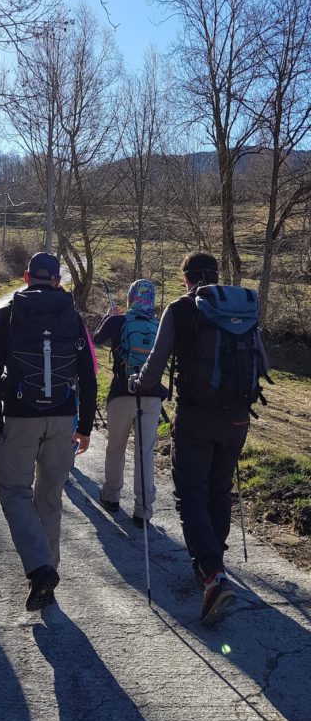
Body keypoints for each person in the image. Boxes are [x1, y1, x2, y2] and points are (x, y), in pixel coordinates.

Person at [128, 251, 268, 626]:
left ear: (186, 278)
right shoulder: (240, 306)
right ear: (216, 275)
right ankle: (213, 561)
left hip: (195, 417)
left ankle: (212, 574)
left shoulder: (180, 309)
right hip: (237, 418)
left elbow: (155, 365)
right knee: (219, 491)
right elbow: (263, 363)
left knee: (190, 494)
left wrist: (138, 384)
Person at [0, 252, 97, 611]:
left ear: (25, 276)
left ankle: (40, 569)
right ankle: (49, 573)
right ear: (57, 280)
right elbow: (88, 375)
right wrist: (85, 427)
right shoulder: (72, 316)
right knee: (49, 495)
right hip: (63, 416)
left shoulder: (9, 314)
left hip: (20, 415)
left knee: (12, 489)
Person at [93, 279, 167, 527]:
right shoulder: (159, 326)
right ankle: (143, 510)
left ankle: (111, 496)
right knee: (144, 453)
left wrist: (109, 317)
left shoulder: (119, 321)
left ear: (130, 297)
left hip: (122, 393)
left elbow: (96, 339)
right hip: (152, 395)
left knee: (116, 447)